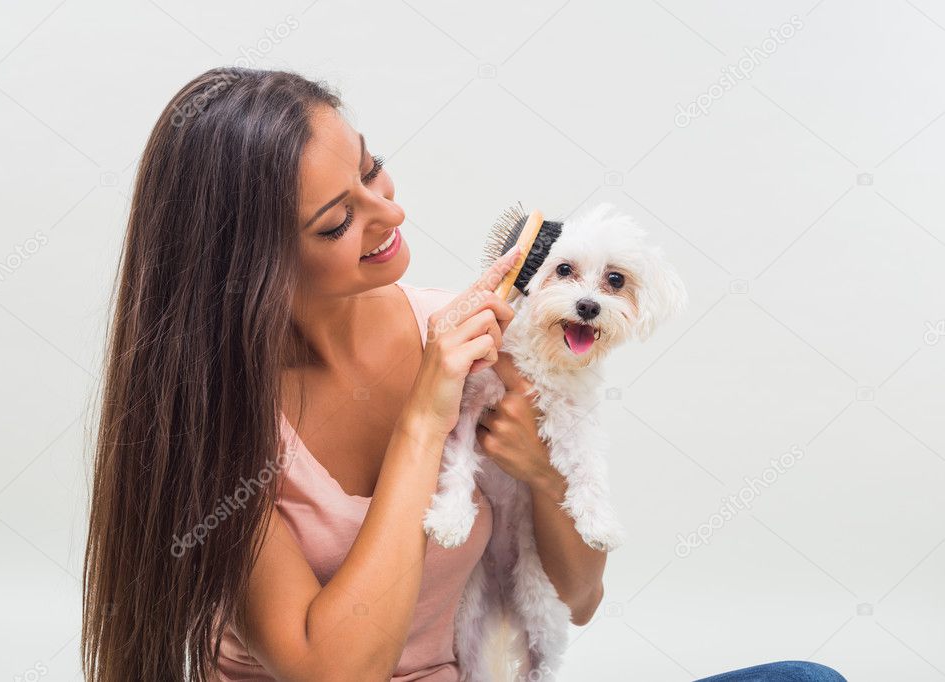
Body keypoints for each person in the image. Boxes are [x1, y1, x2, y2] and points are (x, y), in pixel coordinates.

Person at [81, 67, 846, 682]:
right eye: (336, 222)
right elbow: (334, 670)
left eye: (372, 171)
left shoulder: (472, 332)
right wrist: (423, 417)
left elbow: (579, 599)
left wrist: (543, 475)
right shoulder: (211, 426)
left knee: (805, 680)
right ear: (252, 265)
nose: (390, 213)